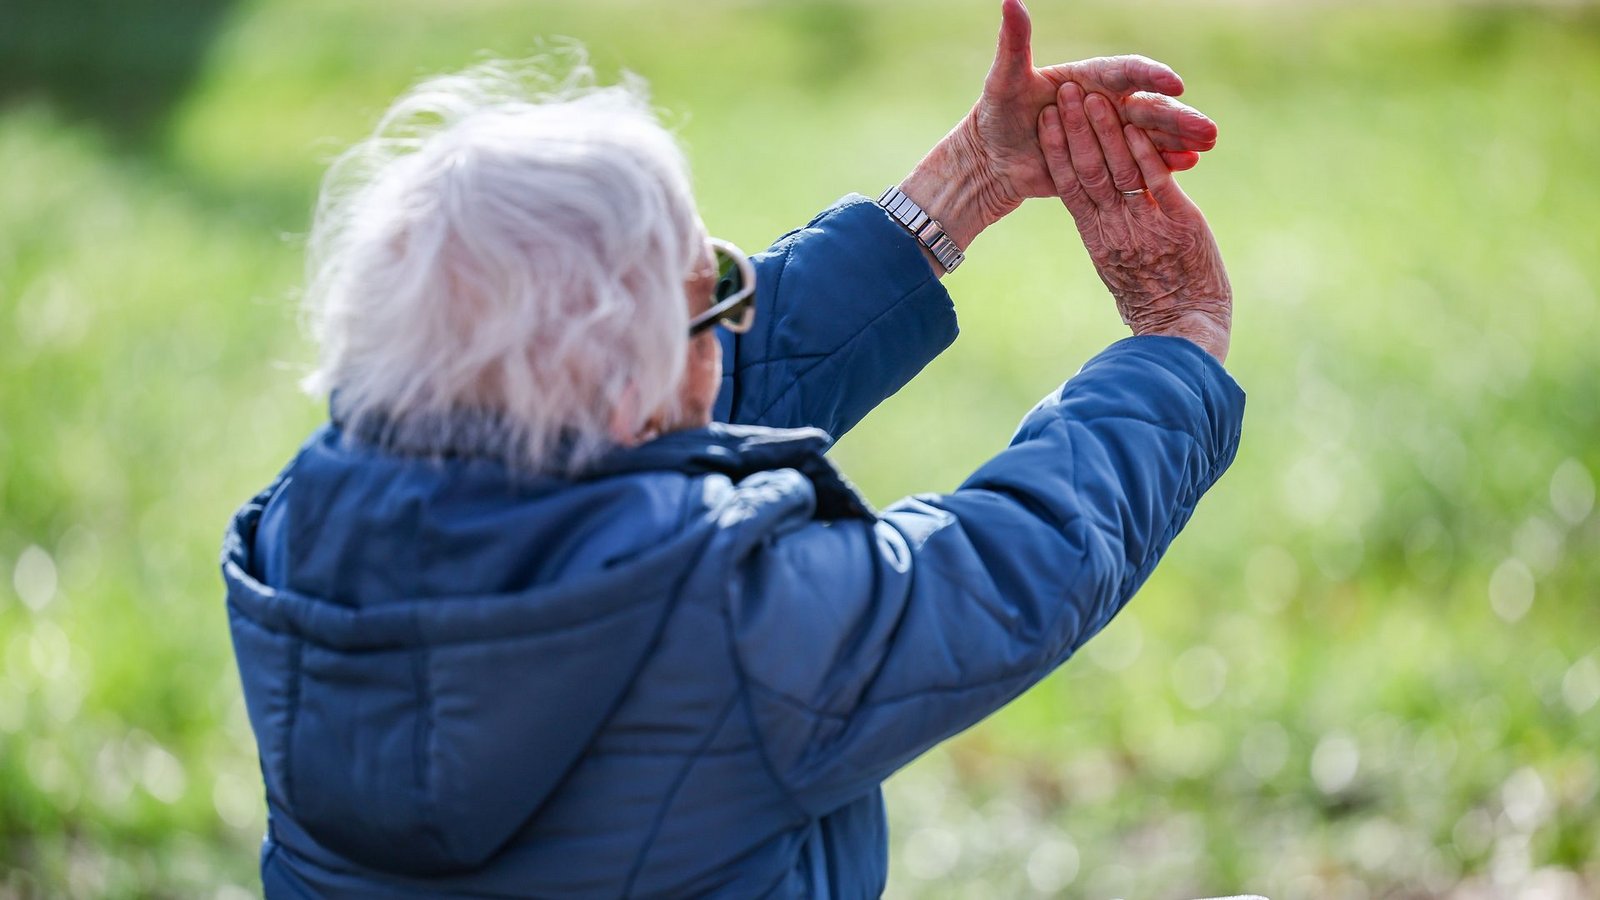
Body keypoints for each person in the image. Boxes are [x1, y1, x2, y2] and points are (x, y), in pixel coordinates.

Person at [220, 1, 1242, 896]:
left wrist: (968, 181)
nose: (735, 325)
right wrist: (1174, 341)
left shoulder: (300, 535)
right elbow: (1014, 564)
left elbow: (655, 424)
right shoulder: (735, 618)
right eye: (711, 294)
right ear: (627, 380)